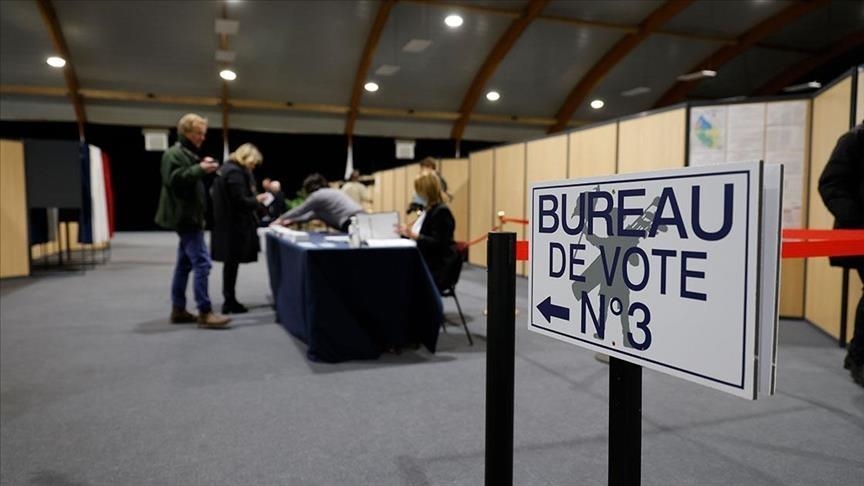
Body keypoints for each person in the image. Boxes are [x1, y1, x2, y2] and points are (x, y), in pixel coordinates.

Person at [154, 113, 230, 329]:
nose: (202, 138)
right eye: (199, 133)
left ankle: (178, 309)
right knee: (202, 263)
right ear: (186, 132)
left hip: (189, 216)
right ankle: (205, 312)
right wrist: (200, 169)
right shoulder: (173, 154)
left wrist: (200, 164)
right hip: (185, 218)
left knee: (184, 264)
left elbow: (185, 173)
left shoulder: (185, 153)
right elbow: (174, 180)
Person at [818, 122, 864, 387]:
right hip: (859, 235)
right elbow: (831, 184)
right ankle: (858, 357)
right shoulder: (854, 140)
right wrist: (857, 224)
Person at [210, 143, 270, 314]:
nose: (253, 167)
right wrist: (258, 199)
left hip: (226, 224)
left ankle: (229, 299)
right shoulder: (235, 173)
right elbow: (240, 201)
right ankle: (229, 301)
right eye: (252, 164)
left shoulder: (226, 169)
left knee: (231, 265)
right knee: (231, 265)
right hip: (233, 227)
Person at [396, 172, 460, 290]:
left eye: (417, 190)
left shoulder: (441, 212)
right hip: (424, 261)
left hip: (437, 267)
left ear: (426, 192)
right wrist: (405, 234)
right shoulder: (427, 210)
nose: (415, 194)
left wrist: (415, 236)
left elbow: (439, 243)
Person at [274, 173, 364, 232]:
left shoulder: (318, 195)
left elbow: (300, 210)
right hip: (362, 217)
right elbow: (311, 215)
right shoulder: (331, 192)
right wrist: (290, 220)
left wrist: (280, 219)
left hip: (351, 221)